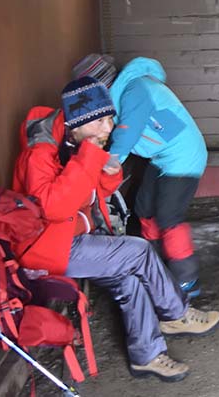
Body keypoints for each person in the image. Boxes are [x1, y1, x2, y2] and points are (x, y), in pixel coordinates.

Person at [12, 77, 219, 381]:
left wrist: (108, 173)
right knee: (138, 251)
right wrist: (88, 158)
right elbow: (54, 208)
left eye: (109, 118)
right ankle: (176, 313)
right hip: (46, 247)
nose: (108, 128)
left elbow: (95, 192)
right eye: (100, 121)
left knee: (129, 281)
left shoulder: (78, 142)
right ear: (75, 122)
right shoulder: (41, 152)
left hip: (78, 237)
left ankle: (147, 357)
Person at [72, 55, 207, 298]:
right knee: (144, 208)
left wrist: (107, 164)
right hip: (162, 158)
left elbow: (128, 132)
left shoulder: (136, 89)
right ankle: (154, 266)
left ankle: (187, 279)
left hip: (184, 156)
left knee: (168, 216)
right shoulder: (124, 93)